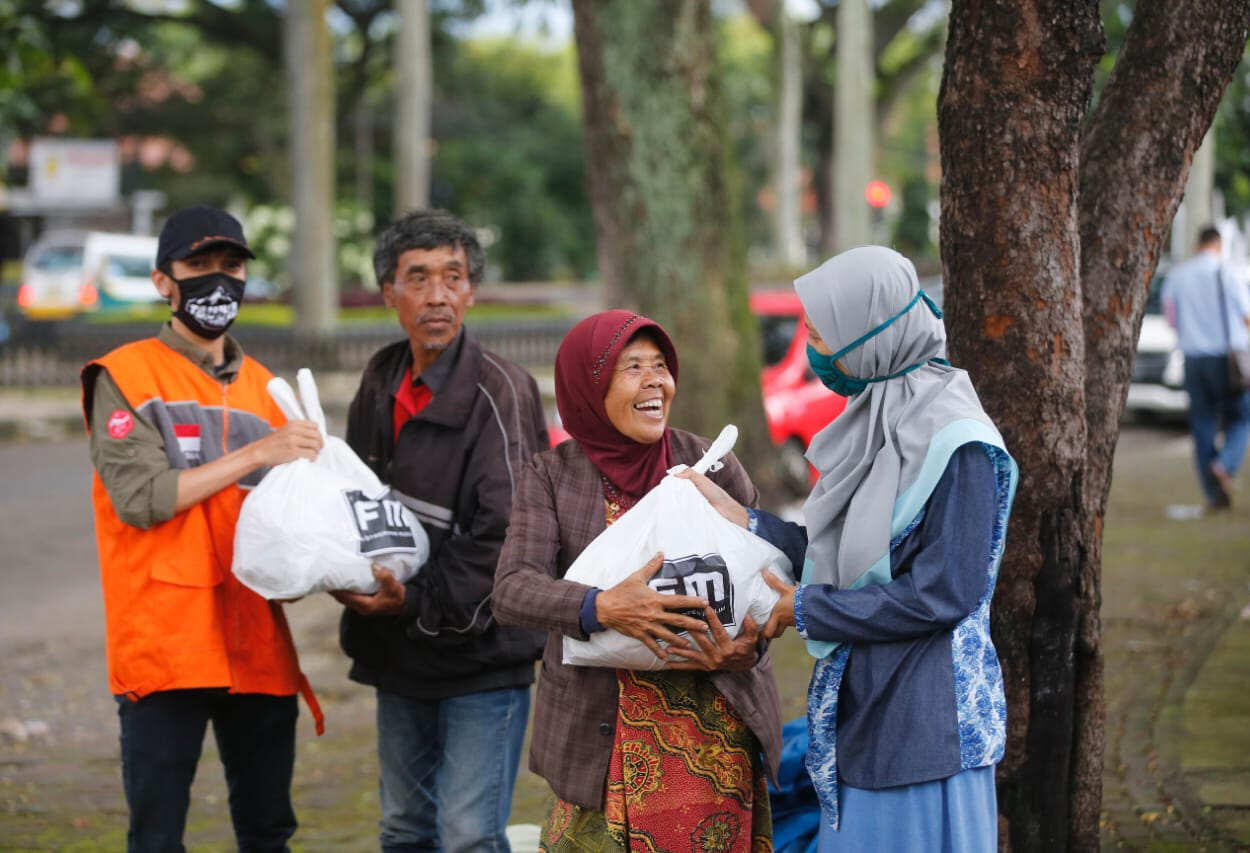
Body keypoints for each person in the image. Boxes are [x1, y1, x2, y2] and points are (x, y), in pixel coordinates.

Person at [681, 247, 1017, 851]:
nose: (816, 352)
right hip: (868, 703)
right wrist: (744, 521)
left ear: (871, 336)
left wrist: (805, 610)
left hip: (928, 721)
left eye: (823, 336)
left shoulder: (958, 441)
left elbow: (943, 592)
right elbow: (853, 557)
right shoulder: (880, 417)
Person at [81, 204, 326, 852]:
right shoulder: (125, 376)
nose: (218, 281)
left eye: (232, 265)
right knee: (158, 836)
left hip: (256, 642)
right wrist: (254, 453)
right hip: (165, 643)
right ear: (164, 279)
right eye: (199, 266)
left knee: (268, 830)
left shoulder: (267, 388)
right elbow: (140, 497)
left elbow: (293, 522)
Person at [492, 310, 782, 851]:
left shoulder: (710, 464)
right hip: (606, 737)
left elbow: (767, 581)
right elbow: (511, 589)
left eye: (661, 366)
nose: (655, 381)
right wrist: (601, 607)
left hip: (714, 736)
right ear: (590, 385)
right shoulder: (553, 475)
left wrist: (750, 644)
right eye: (632, 367)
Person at [334, 208, 548, 852]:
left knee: (467, 836)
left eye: (452, 278)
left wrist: (417, 600)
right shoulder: (379, 379)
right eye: (418, 278)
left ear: (471, 292)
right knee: (403, 828)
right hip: (396, 650)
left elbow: (507, 533)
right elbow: (355, 500)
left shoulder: (503, 390)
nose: (437, 295)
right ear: (389, 293)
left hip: (482, 655)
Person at [1161, 225, 1250, 509]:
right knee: (1242, 416)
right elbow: (1249, 317)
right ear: (1219, 245)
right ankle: (1225, 464)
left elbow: (1170, 318)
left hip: (1193, 359)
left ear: (1197, 244)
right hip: (1226, 361)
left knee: (1203, 424)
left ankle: (1213, 495)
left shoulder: (1178, 275)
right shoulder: (1229, 272)